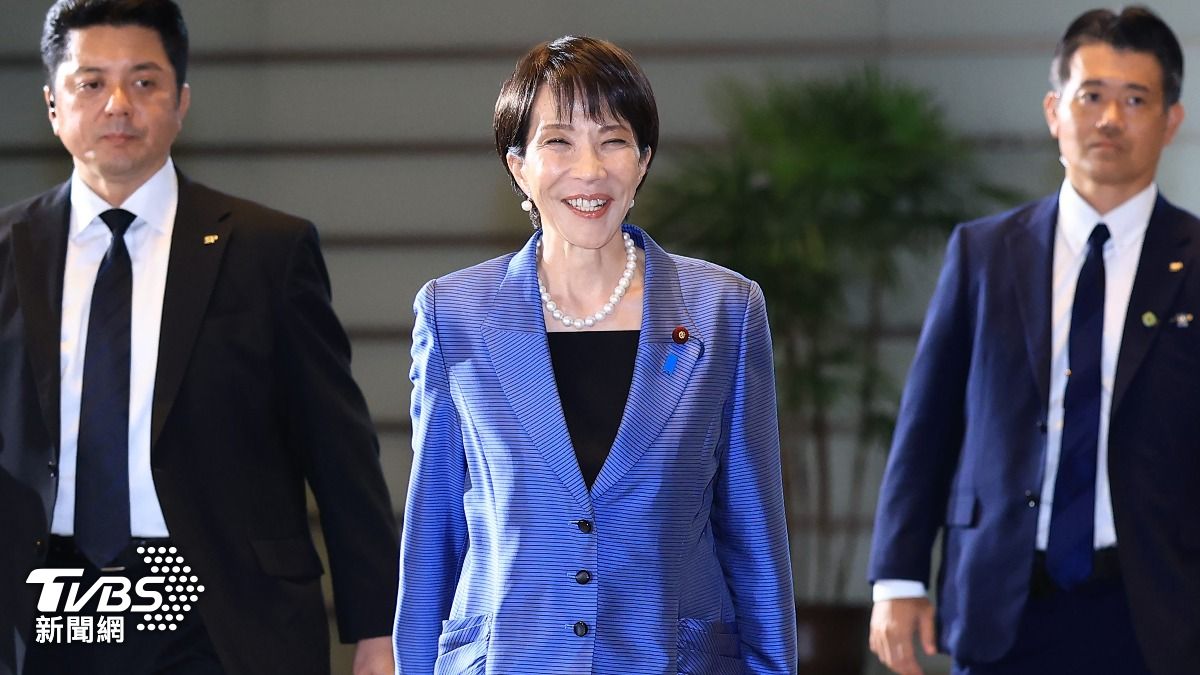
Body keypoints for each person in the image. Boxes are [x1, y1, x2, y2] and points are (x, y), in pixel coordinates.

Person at [0, 1, 398, 673]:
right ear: (52, 105)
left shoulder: (268, 251)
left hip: (221, 608)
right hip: (42, 602)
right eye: (91, 82)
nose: (118, 104)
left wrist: (379, 629)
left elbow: (339, 452)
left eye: (144, 81)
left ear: (181, 101)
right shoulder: (10, 250)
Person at [392, 35, 796, 674]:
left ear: (643, 161)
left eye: (613, 141)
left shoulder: (724, 310)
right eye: (558, 141)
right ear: (518, 165)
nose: (589, 170)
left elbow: (754, 538)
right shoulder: (455, 313)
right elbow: (433, 536)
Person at [867, 6, 1199, 675]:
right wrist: (898, 577)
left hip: (1158, 607)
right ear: (1054, 111)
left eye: (1136, 99)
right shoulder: (984, 252)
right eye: (1092, 96)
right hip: (1003, 601)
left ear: (1171, 121)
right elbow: (927, 425)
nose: (1111, 118)